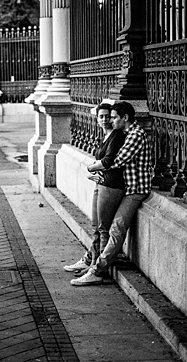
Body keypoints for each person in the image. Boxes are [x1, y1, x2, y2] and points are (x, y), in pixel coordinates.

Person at [71, 100, 151, 286]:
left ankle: (97, 270)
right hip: (129, 189)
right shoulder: (127, 134)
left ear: (125, 118)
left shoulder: (136, 135)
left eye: (114, 117)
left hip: (136, 190)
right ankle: (94, 265)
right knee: (108, 228)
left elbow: (115, 161)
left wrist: (94, 169)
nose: (111, 121)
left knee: (115, 229)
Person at [63, 102, 126, 275]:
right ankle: (90, 260)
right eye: (102, 116)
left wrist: (91, 168)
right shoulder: (104, 137)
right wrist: (93, 174)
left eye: (108, 116)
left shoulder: (116, 136)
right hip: (101, 182)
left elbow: (108, 161)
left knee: (103, 228)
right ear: (96, 118)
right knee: (96, 226)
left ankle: (97, 270)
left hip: (111, 185)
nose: (105, 119)